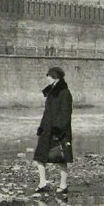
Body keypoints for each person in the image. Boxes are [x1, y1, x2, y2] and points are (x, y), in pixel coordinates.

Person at [31, 65, 73, 196]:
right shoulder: (51, 92)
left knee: (61, 159)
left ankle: (63, 185)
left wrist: (58, 130)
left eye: (48, 76)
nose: (47, 79)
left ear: (55, 77)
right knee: (40, 157)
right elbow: (47, 112)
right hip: (47, 129)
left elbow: (66, 114)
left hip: (59, 131)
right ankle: (42, 182)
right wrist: (42, 127)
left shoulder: (65, 93)